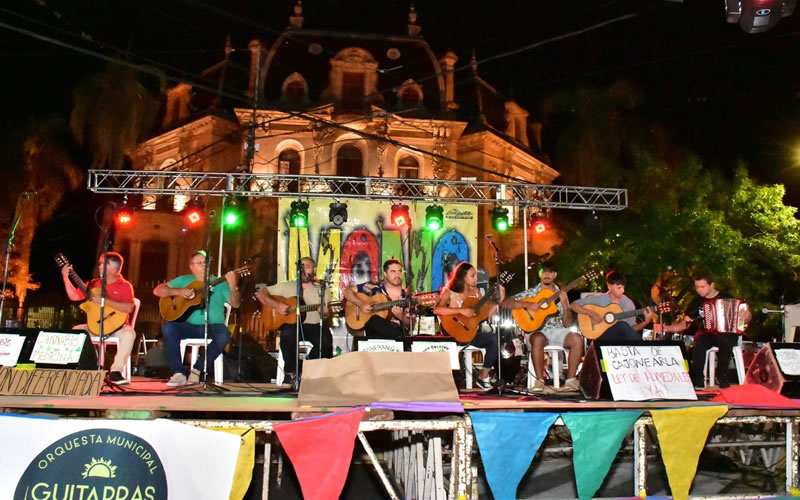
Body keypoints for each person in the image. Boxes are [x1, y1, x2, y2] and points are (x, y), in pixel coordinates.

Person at [154, 251, 240, 386]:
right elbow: (158, 291)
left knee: (224, 334)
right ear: (191, 266)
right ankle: (178, 373)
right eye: (199, 263)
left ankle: (197, 370)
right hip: (189, 326)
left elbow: (235, 304)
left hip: (213, 326)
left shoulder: (219, 283)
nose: (203, 265)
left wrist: (233, 287)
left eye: (205, 263)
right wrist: (178, 291)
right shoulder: (184, 280)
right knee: (168, 327)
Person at [657, 271, 751, 389]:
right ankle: (698, 379)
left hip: (727, 333)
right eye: (697, 287)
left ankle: (722, 375)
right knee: (699, 345)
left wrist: (746, 315)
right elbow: (686, 323)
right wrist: (669, 328)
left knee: (725, 341)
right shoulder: (696, 302)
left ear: (712, 285)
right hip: (708, 334)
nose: (699, 290)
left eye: (702, 287)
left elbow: (745, 317)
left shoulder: (727, 297)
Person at [503, 262, 582, 393]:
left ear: (555, 275)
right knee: (538, 339)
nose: (547, 275)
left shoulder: (560, 294)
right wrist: (528, 305)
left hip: (557, 330)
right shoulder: (532, 293)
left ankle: (570, 380)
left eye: (550, 272)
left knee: (577, 339)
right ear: (540, 274)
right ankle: (539, 381)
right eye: (544, 272)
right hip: (537, 331)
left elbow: (567, 323)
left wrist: (565, 305)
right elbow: (506, 303)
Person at [62, 252, 136, 385]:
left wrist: (104, 301)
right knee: (75, 331)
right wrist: (65, 277)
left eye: (104, 264)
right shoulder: (93, 284)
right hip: (94, 325)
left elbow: (129, 307)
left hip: (117, 327)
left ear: (114, 269)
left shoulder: (124, 285)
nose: (100, 266)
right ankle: (79, 369)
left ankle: (115, 372)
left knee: (130, 334)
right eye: (100, 263)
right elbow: (74, 296)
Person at [256, 257, 332, 381]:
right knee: (288, 334)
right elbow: (261, 293)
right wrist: (277, 305)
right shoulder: (286, 286)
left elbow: (326, 315)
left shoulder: (322, 289)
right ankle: (293, 372)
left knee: (325, 340)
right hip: (293, 325)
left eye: (306, 266)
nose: (303, 270)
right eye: (300, 267)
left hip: (313, 326)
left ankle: (309, 371)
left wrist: (325, 313)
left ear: (314, 269)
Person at [434, 262, 504, 391]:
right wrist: (460, 311)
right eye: (473, 276)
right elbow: (437, 310)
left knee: (494, 339)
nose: (476, 278)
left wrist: (500, 301)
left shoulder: (476, 293)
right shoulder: (449, 292)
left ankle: (483, 376)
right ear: (463, 277)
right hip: (453, 334)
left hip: (471, 333)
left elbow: (484, 314)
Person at [570, 271, 652, 343]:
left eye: (623, 287)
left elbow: (632, 330)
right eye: (619, 288)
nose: (622, 290)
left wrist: (645, 322)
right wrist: (591, 314)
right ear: (609, 286)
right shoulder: (599, 299)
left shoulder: (628, 303)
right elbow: (573, 305)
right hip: (601, 337)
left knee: (622, 326)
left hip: (622, 340)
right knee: (622, 325)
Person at [343, 258, 409, 343]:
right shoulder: (373, 287)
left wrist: (401, 317)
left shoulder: (407, 295)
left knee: (376, 321)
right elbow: (347, 291)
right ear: (385, 274)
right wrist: (361, 304)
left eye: (399, 271)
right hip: (373, 335)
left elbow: (411, 324)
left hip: (397, 337)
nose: (397, 275)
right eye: (393, 271)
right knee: (374, 321)